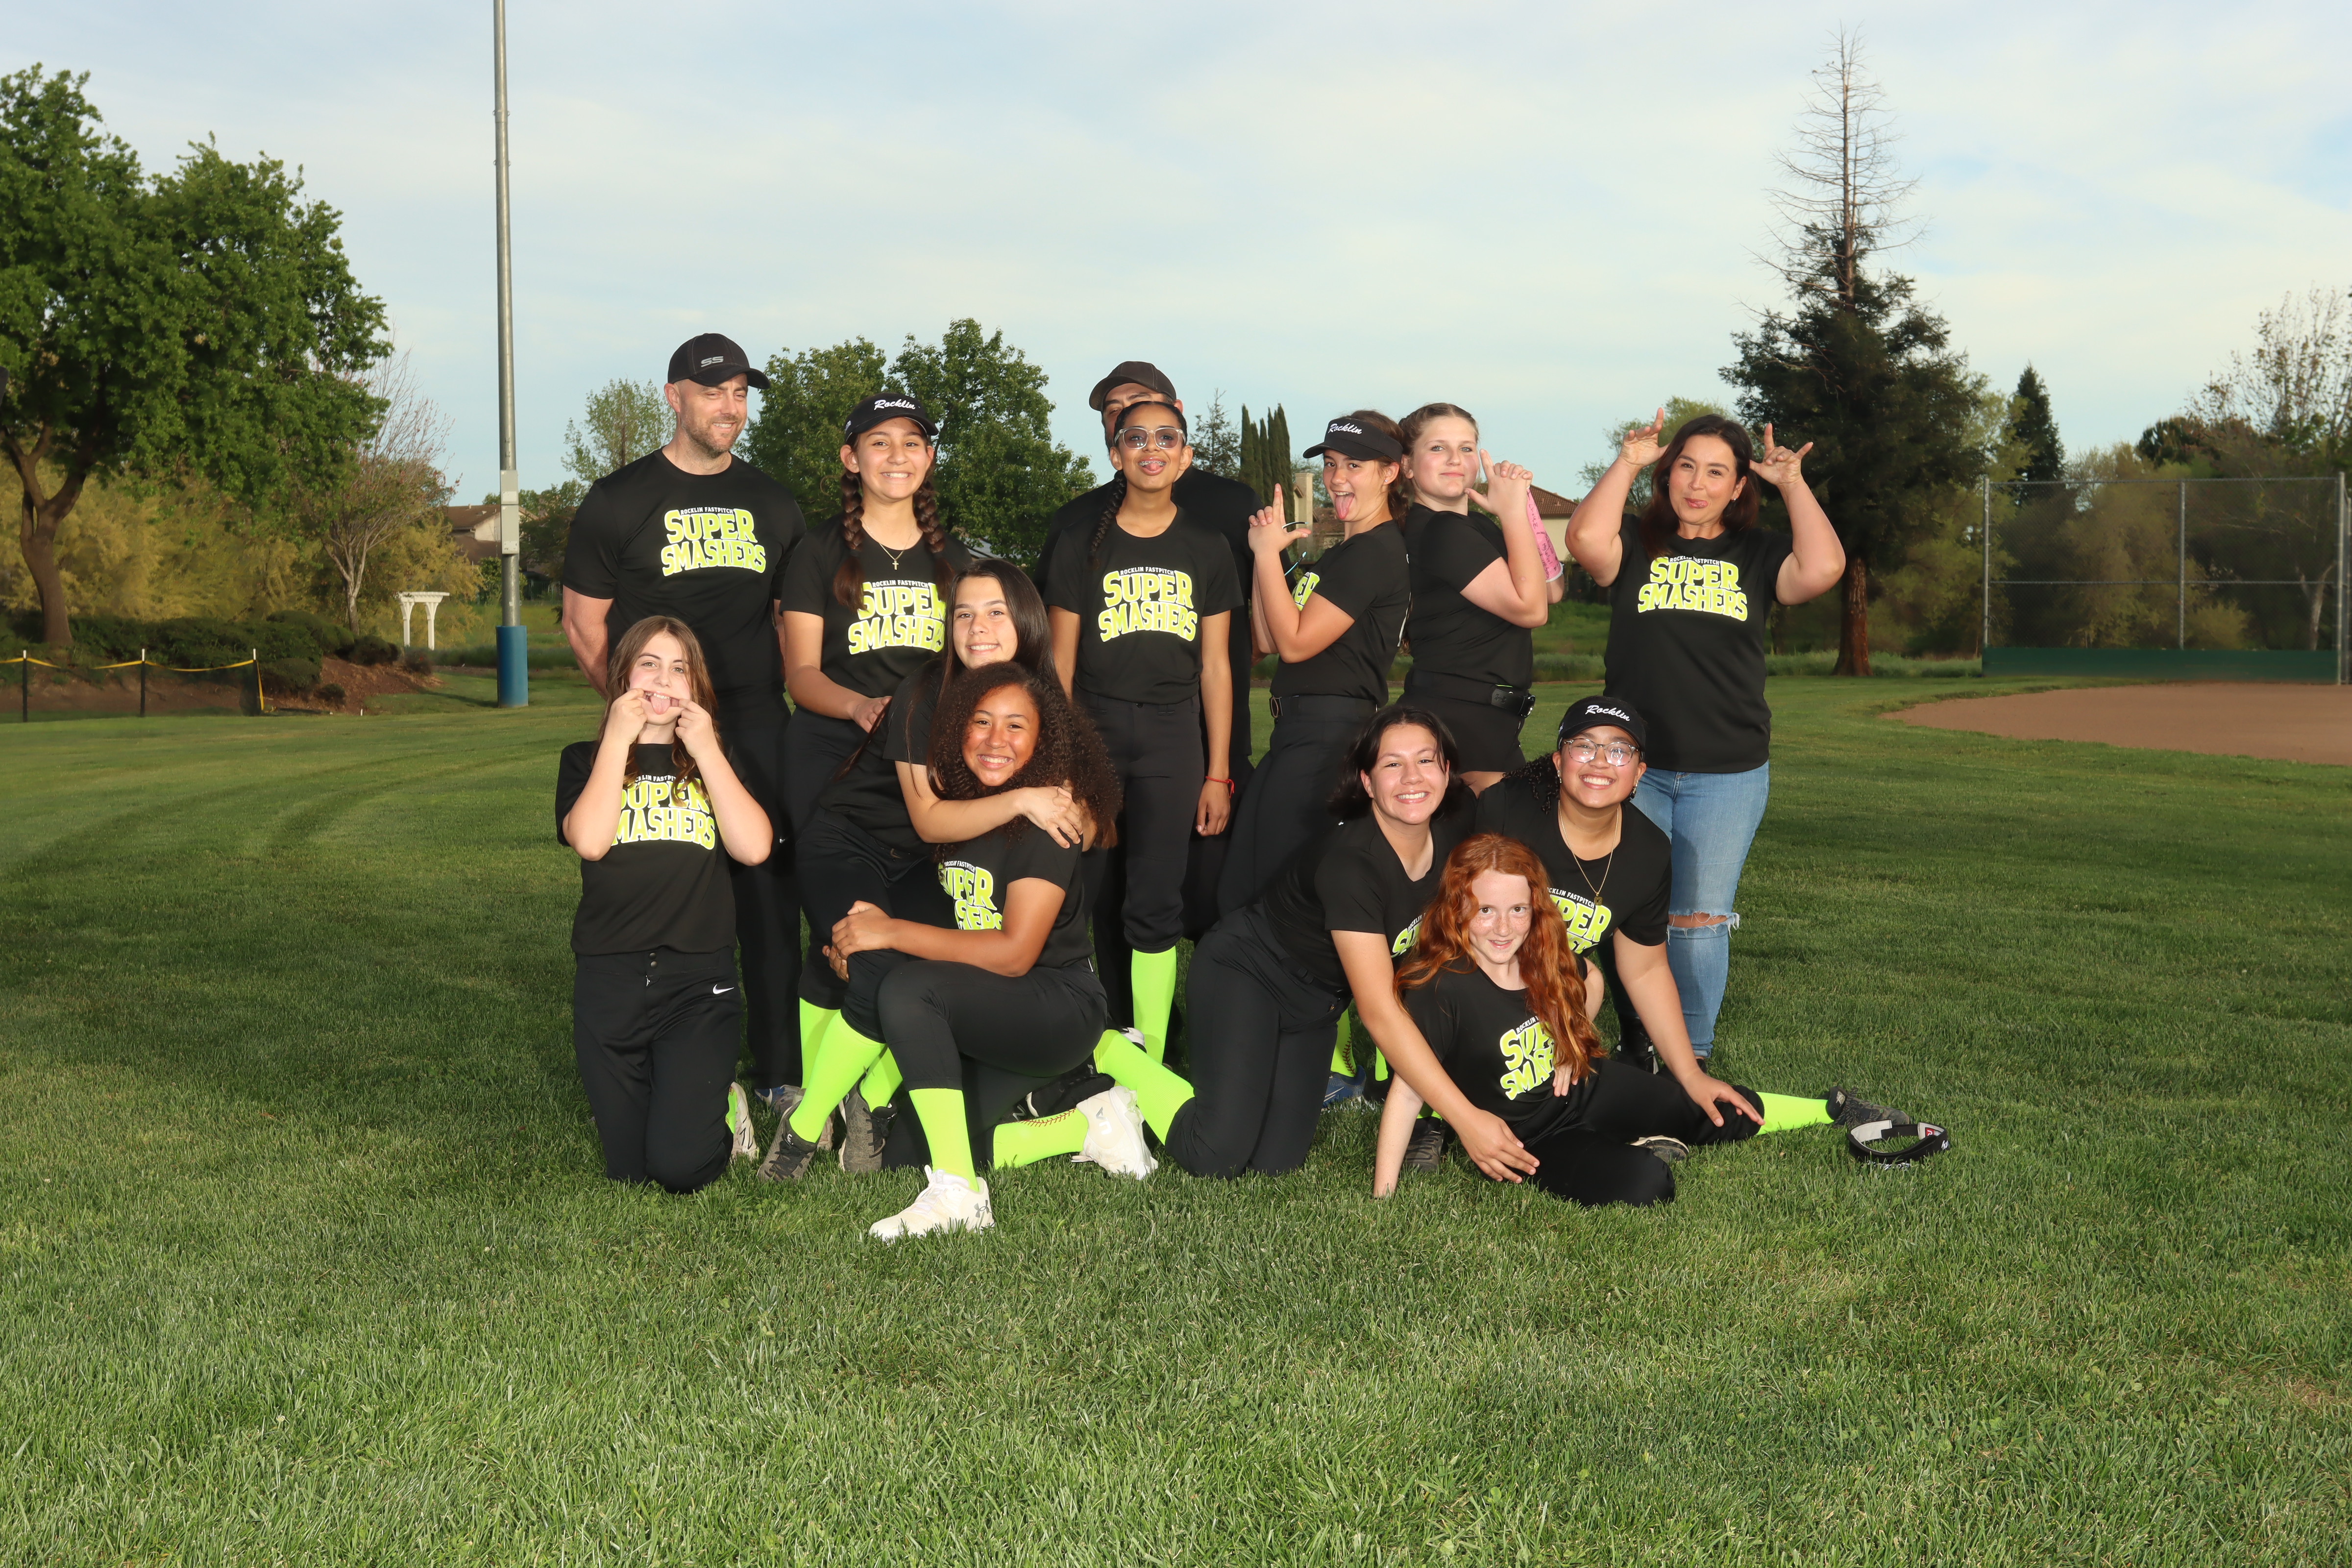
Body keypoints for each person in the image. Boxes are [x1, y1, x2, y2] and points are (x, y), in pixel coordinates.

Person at [1094, 706, 1532, 1182]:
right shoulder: (1352, 864)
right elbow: (1380, 1012)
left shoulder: (1454, 825)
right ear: (1367, 781)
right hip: (1247, 974)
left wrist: (1551, 772)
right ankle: (1110, 1050)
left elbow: (1502, 790)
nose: (1412, 777)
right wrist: (1466, 1118)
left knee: (1274, 1164)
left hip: (1316, 1007)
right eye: (1392, 764)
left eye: (1426, 760)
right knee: (1216, 1154)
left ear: (1446, 771)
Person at [763, 559, 1088, 1177]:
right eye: (963, 613)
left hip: (929, 865)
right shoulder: (923, 690)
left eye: (995, 612)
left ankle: (871, 1099)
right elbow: (931, 820)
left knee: (918, 963)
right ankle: (805, 1127)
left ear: (1026, 619)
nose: (977, 627)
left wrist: (1073, 809)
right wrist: (1023, 799)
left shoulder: (1040, 695)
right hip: (855, 840)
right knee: (865, 955)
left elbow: (1078, 805)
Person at [1373, 833, 1901, 1205]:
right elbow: (1408, 1089)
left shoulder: (1540, 954)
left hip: (1586, 1088)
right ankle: (1636, 1147)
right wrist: (1384, 1197)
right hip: (1533, 1138)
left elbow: (1593, 982)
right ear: (1457, 909)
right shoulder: (1441, 987)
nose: (1503, 927)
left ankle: (1831, 1109)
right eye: (1485, 910)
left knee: (1707, 1111)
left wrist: (1569, 1040)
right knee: (1650, 1186)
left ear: (1535, 910)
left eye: (1518, 910)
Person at [820, 663, 1151, 1238]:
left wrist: (890, 933)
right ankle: (1090, 1125)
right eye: (982, 722)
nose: (996, 740)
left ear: (1043, 741)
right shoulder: (963, 813)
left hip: (1056, 1007)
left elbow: (1014, 953)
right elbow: (955, 929)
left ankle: (960, 1194)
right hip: (995, 1008)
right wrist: (863, 946)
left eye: (1016, 726)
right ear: (958, 730)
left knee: (910, 992)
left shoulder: (1047, 824)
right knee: (903, 1154)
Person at [561, 333, 807, 1101]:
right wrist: (643, 718)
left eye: (740, 393)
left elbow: (787, 621)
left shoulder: (774, 504)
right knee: (663, 890)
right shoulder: (618, 501)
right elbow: (583, 625)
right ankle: (669, 1054)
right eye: (712, 392)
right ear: (674, 397)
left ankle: (779, 1075)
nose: (729, 407)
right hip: (657, 736)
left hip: (756, 726)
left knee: (768, 899)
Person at [1564, 413, 1845, 1059]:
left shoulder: (1760, 552)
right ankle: (1642, 1039)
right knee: (1626, 908)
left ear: (1739, 486)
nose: (1698, 483)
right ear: (1667, 476)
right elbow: (1583, 538)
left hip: (1726, 771)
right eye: (1686, 466)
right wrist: (1628, 461)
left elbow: (1824, 567)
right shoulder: (1635, 541)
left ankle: (1690, 1056)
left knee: (1697, 918)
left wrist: (1792, 483)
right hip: (1632, 768)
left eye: (1717, 472)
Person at [1036, 360, 1265, 1026]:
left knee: (1156, 900)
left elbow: (1218, 668)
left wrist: (1217, 772)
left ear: (1186, 455)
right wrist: (1064, 760)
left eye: (1167, 438)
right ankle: (1086, 1037)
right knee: (1080, 891)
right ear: (1116, 454)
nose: (1151, 449)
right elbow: (1060, 666)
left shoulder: (1207, 546)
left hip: (1173, 737)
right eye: (1135, 438)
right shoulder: (1080, 542)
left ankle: (1151, 1052)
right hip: (1095, 732)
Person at [556, 616, 776, 1193]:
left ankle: (723, 1108)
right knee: (629, 1172)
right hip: (610, 980)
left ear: (696, 687)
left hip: (697, 984)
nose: (663, 678)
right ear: (622, 677)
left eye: (680, 668)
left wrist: (705, 747)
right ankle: (681, 1093)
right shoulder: (585, 759)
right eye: (649, 664)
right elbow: (590, 841)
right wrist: (617, 739)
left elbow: (754, 847)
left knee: (679, 1169)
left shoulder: (716, 761)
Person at [1217, 413, 1413, 915]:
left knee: (1276, 890)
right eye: (1330, 463)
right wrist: (1267, 556)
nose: (1336, 477)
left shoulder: (1373, 551)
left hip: (1329, 733)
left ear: (1390, 473)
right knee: (1250, 879)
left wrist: (1265, 557)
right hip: (1301, 731)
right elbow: (1268, 638)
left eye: (1354, 465)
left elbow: (1296, 643)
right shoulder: (1343, 554)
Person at [1475, 696, 1687, 1072]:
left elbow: (1646, 970)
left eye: (1619, 751)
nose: (1601, 761)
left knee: (1587, 982)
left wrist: (1688, 1074)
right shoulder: (1507, 811)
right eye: (1584, 746)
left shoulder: (1649, 852)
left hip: (1549, 988)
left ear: (1639, 772)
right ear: (1559, 762)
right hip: (1472, 973)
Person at [1394, 403, 1562, 792]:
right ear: (1407, 466)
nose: (1455, 459)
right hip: (1459, 718)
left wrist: (1524, 507)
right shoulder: (1440, 531)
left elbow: (1551, 588)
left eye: (1466, 448)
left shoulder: (1474, 526)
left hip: (1485, 719)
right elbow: (1532, 610)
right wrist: (1513, 513)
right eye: (1438, 448)